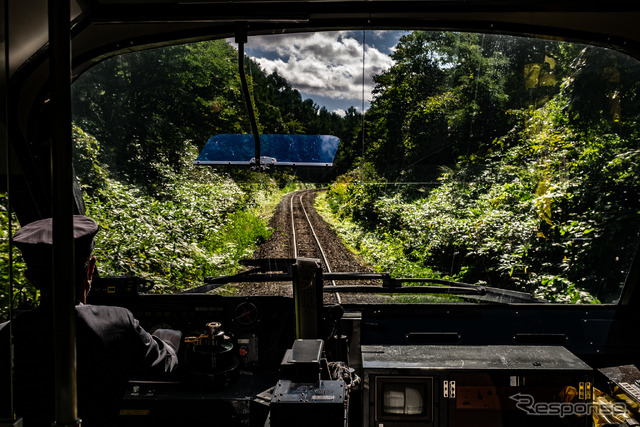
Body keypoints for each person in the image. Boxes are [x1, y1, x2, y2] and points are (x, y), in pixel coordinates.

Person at [0, 215, 180, 426]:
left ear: (30, 279)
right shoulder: (118, 322)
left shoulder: (6, 335)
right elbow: (165, 364)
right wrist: (168, 344)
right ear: (91, 268)